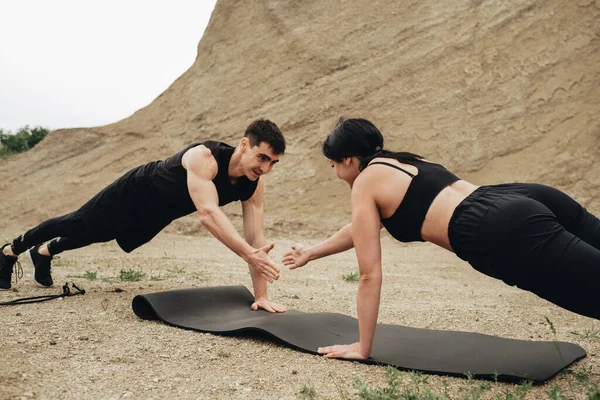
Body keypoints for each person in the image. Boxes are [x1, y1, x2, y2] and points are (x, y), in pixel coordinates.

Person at [282, 117, 600, 360]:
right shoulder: (403, 160)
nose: (337, 173)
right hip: (520, 196)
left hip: (498, 226)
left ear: (348, 160)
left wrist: (363, 347)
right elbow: (362, 228)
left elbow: (369, 274)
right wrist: (311, 252)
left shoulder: (365, 182)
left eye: (334, 165)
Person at [1, 119, 286, 313]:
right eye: (262, 158)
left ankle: (44, 252)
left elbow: (256, 241)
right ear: (245, 144)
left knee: (100, 234)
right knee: (79, 222)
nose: (266, 168)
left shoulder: (253, 186)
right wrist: (249, 255)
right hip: (136, 190)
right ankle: (11, 250)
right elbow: (208, 213)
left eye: (273, 163)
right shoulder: (205, 158)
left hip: (159, 213)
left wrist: (261, 296)